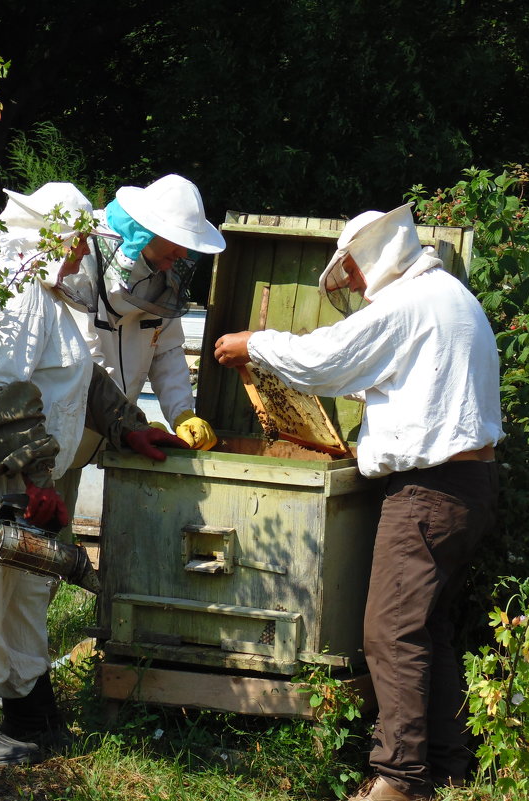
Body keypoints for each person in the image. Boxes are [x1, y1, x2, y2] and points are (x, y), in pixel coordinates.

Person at [213, 203, 504, 801]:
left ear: (366, 256)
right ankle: (446, 766)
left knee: (390, 632)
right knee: (428, 627)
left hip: (429, 491)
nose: (351, 285)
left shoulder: (410, 304)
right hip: (470, 488)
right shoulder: (451, 296)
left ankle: (398, 781)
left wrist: (255, 343)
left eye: (349, 271)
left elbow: (325, 360)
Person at [0, 182, 187, 767]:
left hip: (21, 474)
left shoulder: (48, 296)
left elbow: (81, 375)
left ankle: (28, 708)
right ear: (46, 238)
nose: (81, 255)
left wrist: (128, 424)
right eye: (75, 243)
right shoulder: (15, 294)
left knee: (24, 592)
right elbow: (6, 392)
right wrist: (37, 481)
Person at [78, 173, 226, 451]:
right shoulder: (82, 258)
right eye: (176, 239)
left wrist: (182, 412)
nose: (183, 252)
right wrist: (132, 424)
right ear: (146, 230)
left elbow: (166, 349)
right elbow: (85, 360)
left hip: (111, 433)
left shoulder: (164, 276)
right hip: (57, 431)